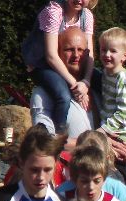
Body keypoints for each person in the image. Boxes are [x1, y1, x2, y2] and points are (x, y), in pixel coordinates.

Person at [21, 0, 96, 135]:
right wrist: (76, 85)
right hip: (42, 64)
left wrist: (86, 82)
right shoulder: (54, 12)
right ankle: (59, 134)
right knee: (63, 96)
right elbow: (51, 56)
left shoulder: (87, 16)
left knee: (103, 79)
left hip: (66, 65)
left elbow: (89, 54)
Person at [31, 27, 94, 139]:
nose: (76, 55)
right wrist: (93, 142)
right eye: (69, 49)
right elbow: (44, 141)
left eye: (80, 50)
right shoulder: (43, 94)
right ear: (57, 52)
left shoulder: (101, 87)